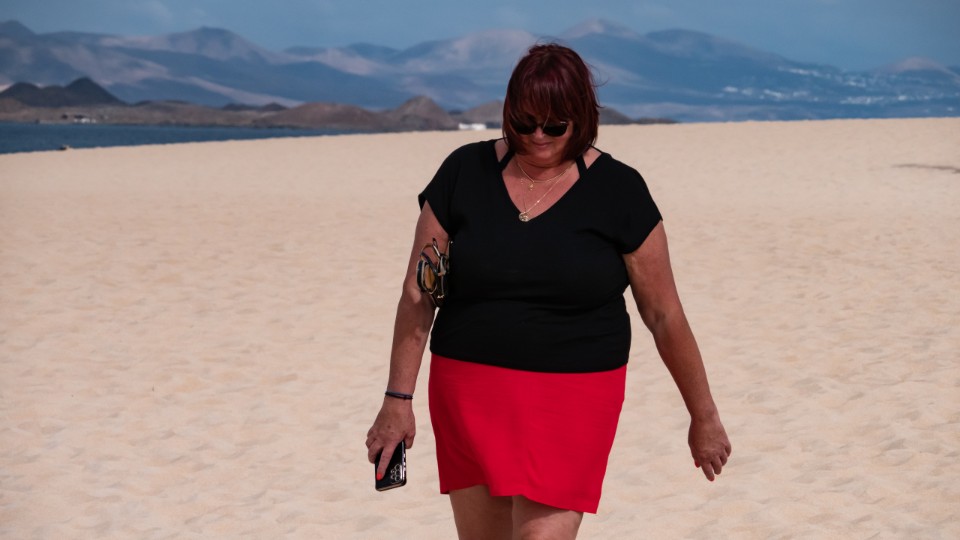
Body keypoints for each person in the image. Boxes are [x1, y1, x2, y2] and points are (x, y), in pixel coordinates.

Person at [366, 43, 731, 539]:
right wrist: (397, 399)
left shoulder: (620, 191)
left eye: (555, 126)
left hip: (574, 395)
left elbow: (664, 314)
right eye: (524, 122)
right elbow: (419, 294)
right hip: (469, 391)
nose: (538, 136)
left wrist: (703, 416)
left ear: (582, 117)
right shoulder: (462, 173)